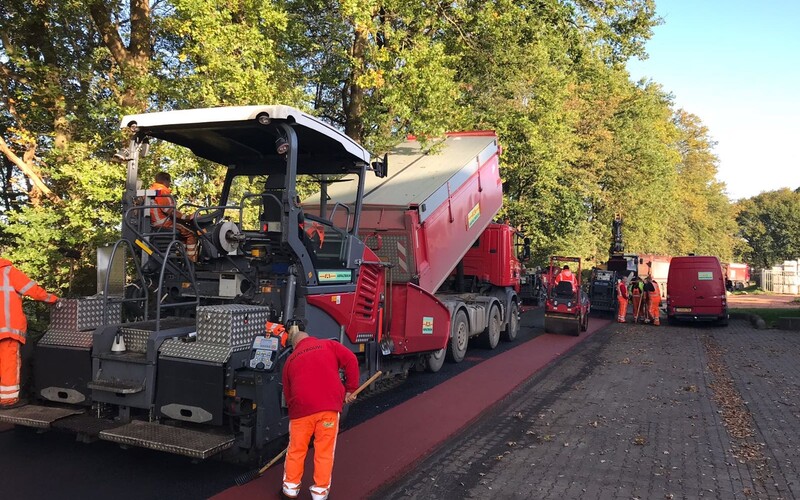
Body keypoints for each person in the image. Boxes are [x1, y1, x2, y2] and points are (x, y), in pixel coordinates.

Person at [281, 321, 359, 500]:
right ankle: (319, 494)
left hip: (301, 412)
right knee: (324, 451)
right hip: (328, 410)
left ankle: (290, 490)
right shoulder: (329, 345)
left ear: (295, 345)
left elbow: (288, 393)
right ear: (309, 337)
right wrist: (350, 389)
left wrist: (294, 418)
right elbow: (351, 360)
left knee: (296, 450)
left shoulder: (290, 361)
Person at [0, 257, 58, 409]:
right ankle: (8, 400)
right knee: (9, 363)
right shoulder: (8, 272)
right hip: (7, 329)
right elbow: (33, 290)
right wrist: (52, 299)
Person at [149, 172, 199, 262]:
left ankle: (182, 258)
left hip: (156, 222)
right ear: (165, 181)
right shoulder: (162, 191)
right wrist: (187, 217)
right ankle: (192, 262)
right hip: (164, 223)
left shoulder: (151, 190)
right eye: (169, 182)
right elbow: (170, 211)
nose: (169, 185)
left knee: (183, 234)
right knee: (191, 233)